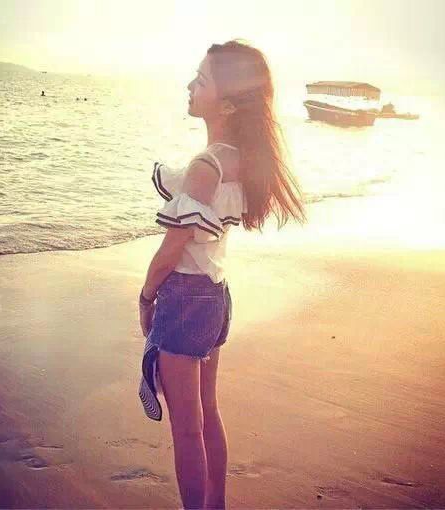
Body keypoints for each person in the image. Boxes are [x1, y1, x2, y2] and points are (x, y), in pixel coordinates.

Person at [138, 38, 307, 510]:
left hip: (184, 298)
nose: (190, 86)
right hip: (216, 296)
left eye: (201, 80)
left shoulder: (205, 165)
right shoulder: (239, 159)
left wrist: (146, 295)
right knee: (207, 413)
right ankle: (216, 504)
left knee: (186, 428)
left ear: (228, 104)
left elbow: (171, 249)